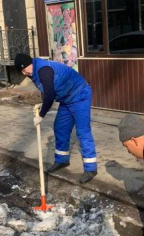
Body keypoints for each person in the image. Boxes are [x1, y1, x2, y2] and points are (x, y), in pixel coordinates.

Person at [15, 53, 97, 184]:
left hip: (79, 95)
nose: (25, 73)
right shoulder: (34, 71)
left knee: (82, 131)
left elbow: (50, 95)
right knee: (60, 128)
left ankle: (91, 168)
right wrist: (43, 102)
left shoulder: (44, 70)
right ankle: (62, 160)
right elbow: (46, 91)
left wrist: (41, 115)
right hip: (66, 98)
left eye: (25, 69)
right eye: (22, 71)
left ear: (30, 63)